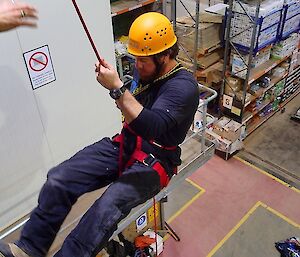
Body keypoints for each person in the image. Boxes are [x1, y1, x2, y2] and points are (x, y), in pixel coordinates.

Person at [0, 12, 199, 257]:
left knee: (104, 208)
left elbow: (153, 126)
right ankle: (29, 248)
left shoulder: (183, 87)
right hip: (127, 143)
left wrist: (117, 89)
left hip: (156, 160)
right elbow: (134, 109)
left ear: (165, 55)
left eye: (143, 61)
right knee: (60, 178)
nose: (137, 66)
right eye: (135, 59)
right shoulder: (146, 71)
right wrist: (119, 87)